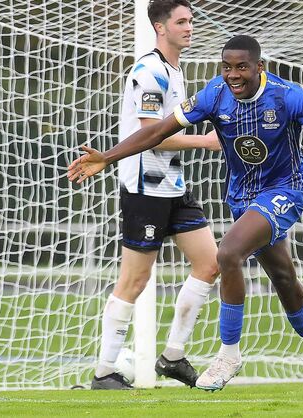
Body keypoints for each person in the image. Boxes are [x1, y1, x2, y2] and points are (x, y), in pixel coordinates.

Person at [68, 34, 303, 396]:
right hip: (242, 198)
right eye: (227, 67)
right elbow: (158, 130)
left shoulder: (288, 96)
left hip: (285, 191)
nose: (233, 75)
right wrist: (107, 156)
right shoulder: (214, 94)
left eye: (241, 67)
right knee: (283, 277)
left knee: (227, 253)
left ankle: (228, 355)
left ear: (259, 67)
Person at [87, 0, 221, 390]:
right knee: (135, 279)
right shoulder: (149, 70)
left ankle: (173, 357)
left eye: (191, 20)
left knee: (210, 263)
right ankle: (104, 372)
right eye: (181, 21)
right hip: (145, 188)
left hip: (173, 187)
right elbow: (152, 135)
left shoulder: (175, 71)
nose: (189, 27)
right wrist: (207, 142)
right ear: (160, 27)